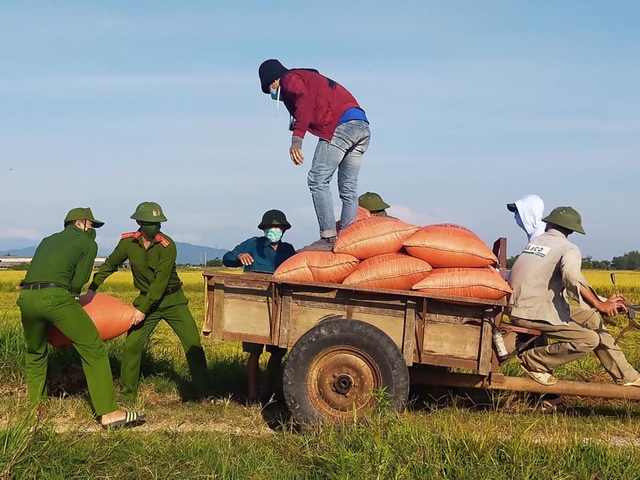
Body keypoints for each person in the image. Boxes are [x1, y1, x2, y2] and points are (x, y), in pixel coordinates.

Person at [17, 207, 144, 429]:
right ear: (80, 223)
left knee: (35, 353)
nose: (93, 230)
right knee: (93, 348)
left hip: (27, 298)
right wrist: (72, 305)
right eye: (92, 225)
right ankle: (109, 413)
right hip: (56, 297)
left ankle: (37, 410)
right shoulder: (88, 244)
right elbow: (78, 282)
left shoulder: (47, 240)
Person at [87, 202, 209, 401]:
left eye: (159, 223)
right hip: (146, 300)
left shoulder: (167, 246)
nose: (156, 227)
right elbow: (110, 264)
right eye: (152, 223)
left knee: (192, 344)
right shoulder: (128, 243)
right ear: (140, 222)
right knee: (132, 345)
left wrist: (142, 310)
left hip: (172, 300)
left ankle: (204, 393)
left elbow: (160, 284)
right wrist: (92, 289)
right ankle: (128, 396)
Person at [508, 206, 640, 388]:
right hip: (533, 313)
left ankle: (626, 375)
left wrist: (601, 302)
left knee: (591, 317)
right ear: (571, 230)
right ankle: (534, 361)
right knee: (589, 339)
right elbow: (570, 277)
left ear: (550, 223)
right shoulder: (569, 248)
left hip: (523, 307)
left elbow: (578, 281)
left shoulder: (538, 242)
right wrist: (598, 304)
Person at [258, 59, 371, 251]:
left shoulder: (289, 79)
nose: (274, 92)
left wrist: (297, 139)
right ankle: (348, 236)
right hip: (362, 127)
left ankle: (328, 238)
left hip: (341, 126)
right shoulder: (310, 78)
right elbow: (311, 104)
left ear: (273, 79)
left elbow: (304, 100)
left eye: (270, 87)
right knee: (348, 188)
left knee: (317, 180)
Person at [223, 209, 296, 402]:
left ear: (283, 230)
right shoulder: (253, 244)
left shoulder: (288, 250)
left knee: (278, 351)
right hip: (254, 306)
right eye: (270, 227)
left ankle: (268, 388)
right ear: (264, 229)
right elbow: (227, 258)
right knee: (254, 351)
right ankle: (252, 393)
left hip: (280, 303)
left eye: (277, 227)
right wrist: (239, 257)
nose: (274, 230)